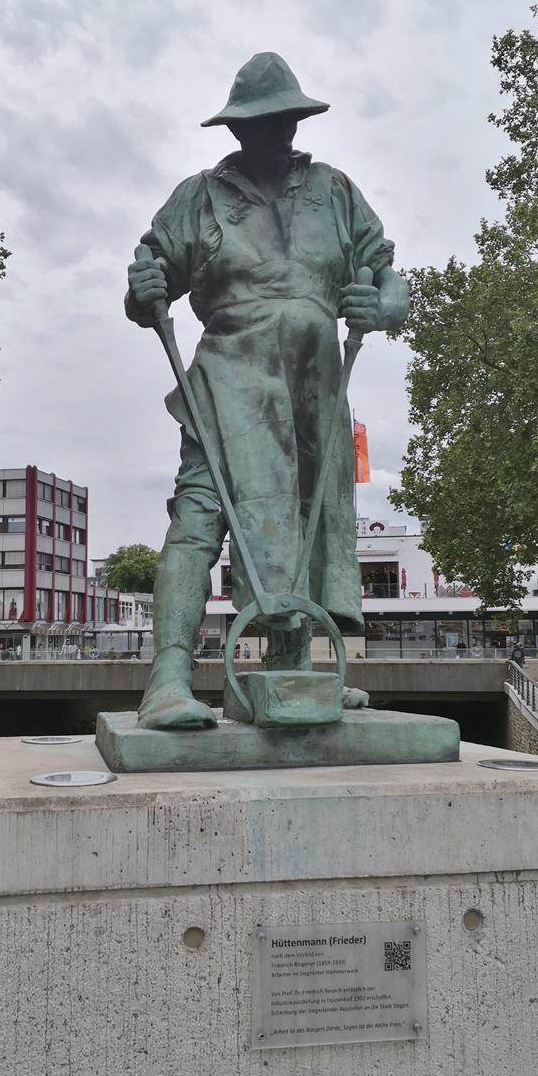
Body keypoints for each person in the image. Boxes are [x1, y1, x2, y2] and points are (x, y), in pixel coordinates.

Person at [127, 53, 409, 729]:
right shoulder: (200, 196)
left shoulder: (334, 191)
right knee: (198, 516)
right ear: (236, 129)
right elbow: (149, 280)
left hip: (315, 383)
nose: (274, 133)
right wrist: (143, 291)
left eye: (283, 120)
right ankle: (168, 679)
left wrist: (383, 307)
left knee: (306, 521)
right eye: (258, 123)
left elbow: (387, 274)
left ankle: (294, 671)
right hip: (229, 383)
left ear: (296, 121)